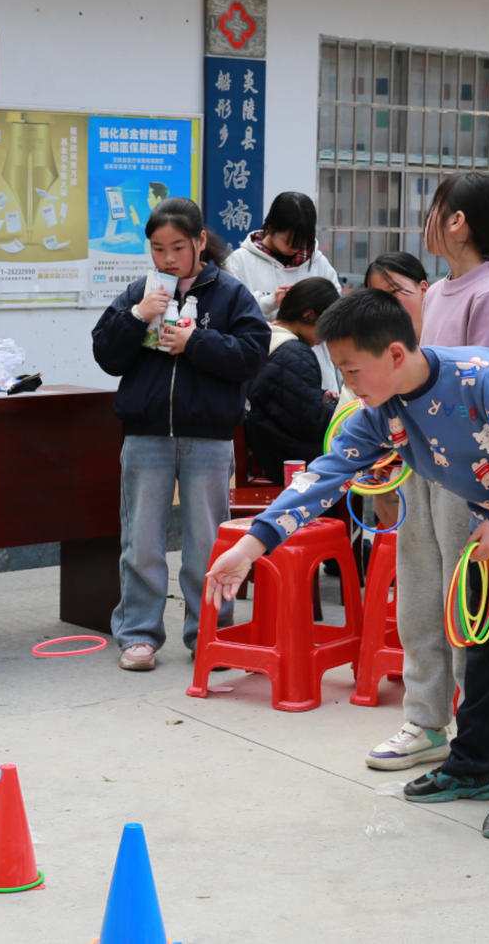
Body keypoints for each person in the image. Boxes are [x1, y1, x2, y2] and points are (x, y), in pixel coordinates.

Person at [206, 289, 489, 839]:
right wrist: (253, 545)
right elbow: (325, 474)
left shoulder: (482, 378)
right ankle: (473, 765)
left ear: (393, 354)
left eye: (351, 369)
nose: (346, 384)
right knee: (488, 651)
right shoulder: (378, 413)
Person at [365, 172, 489, 772]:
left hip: (466, 478)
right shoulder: (439, 291)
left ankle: (482, 728)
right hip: (421, 467)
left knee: (463, 602)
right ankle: (424, 720)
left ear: (458, 222)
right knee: (418, 594)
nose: (428, 217)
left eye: (436, 208)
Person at [92, 198, 271, 671]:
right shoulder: (138, 292)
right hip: (145, 435)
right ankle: (139, 637)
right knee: (142, 543)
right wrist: (135, 317)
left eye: (177, 247)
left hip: (209, 438)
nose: (168, 259)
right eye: (157, 248)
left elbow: (252, 355)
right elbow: (105, 355)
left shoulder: (231, 295)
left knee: (206, 546)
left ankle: (211, 636)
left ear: (200, 243)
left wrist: (196, 343)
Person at [244, 277, 342, 474]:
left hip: (264, 450)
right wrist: (341, 409)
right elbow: (312, 424)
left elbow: (287, 403)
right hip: (288, 460)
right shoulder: (295, 353)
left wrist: (318, 397)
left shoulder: (261, 339)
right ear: (309, 315)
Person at [227, 191, 342, 320]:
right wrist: (270, 301)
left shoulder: (318, 263)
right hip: (258, 340)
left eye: (302, 241)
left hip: (308, 341)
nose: (295, 248)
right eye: (288, 240)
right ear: (270, 228)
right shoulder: (239, 261)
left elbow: (336, 309)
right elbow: (228, 309)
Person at [365, 250, 429, 336]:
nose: (385, 305)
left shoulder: (448, 340)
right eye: (377, 298)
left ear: (423, 290)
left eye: (394, 291)